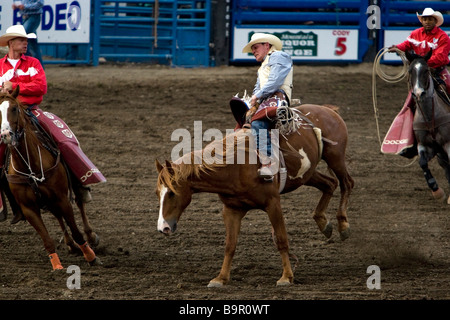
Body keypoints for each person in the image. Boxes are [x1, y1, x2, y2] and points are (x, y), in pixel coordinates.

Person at [0, 25, 106, 224]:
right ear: (11, 43)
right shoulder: (0, 66)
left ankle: (79, 184)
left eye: (26, 40)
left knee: (61, 139)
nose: (26, 43)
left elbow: (41, 87)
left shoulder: (33, 63)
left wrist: (15, 87)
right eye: (22, 40)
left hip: (30, 111)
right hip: (6, 114)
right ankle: (11, 205)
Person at [383, 8, 450, 158]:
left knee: (449, 87)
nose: (427, 22)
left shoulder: (443, 37)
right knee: (411, 103)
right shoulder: (415, 34)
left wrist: (422, 63)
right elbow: (406, 45)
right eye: (425, 19)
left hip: (438, 71)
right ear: (422, 20)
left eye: (430, 19)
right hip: (421, 72)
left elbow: (440, 57)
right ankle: (412, 141)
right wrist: (396, 48)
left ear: (435, 21)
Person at [242, 33, 293, 178]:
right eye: (252, 49)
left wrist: (257, 96)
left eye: (256, 47)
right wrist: (253, 100)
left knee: (257, 122)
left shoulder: (278, 56)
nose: (254, 51)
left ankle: (269, 163)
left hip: (277, 97)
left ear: (267, 45)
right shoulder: (263, 66)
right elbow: (258, 88)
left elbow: (275, 81)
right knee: (242, 123)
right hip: (266, 99)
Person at [12, 0, 44, 67]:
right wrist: (15, 4)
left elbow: (40, 3)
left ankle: (25, 65)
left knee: (23, 37)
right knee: (32, 43)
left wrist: (25, 6)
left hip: (34, 16)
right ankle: (39, 68)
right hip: (25, 16)